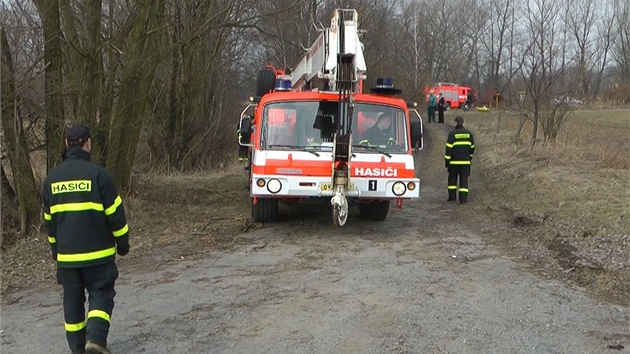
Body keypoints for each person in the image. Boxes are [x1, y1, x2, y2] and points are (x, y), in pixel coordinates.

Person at [42, 125, 130, 354]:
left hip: (67, 259)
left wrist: (55, 251)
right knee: (101, 294)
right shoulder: (99, 175)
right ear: (88, 143)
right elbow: (116, 215)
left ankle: (78, 349)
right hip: (98, 256)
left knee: (72, 303)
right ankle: (96, 340)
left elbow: (49, 222)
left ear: (66, 144)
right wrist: (123, 245)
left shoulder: (51, 180)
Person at [445, 116, 475, 204]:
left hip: (453, 163)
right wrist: (469, 158)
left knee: (452, 180)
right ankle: (463, 199)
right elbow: (472, 148)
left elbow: (448, 150)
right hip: (465, 163)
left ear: (456, 123)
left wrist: (447, 162)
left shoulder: (452, 134)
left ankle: (452, 197)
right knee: (464, 181)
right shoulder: (469, 134)